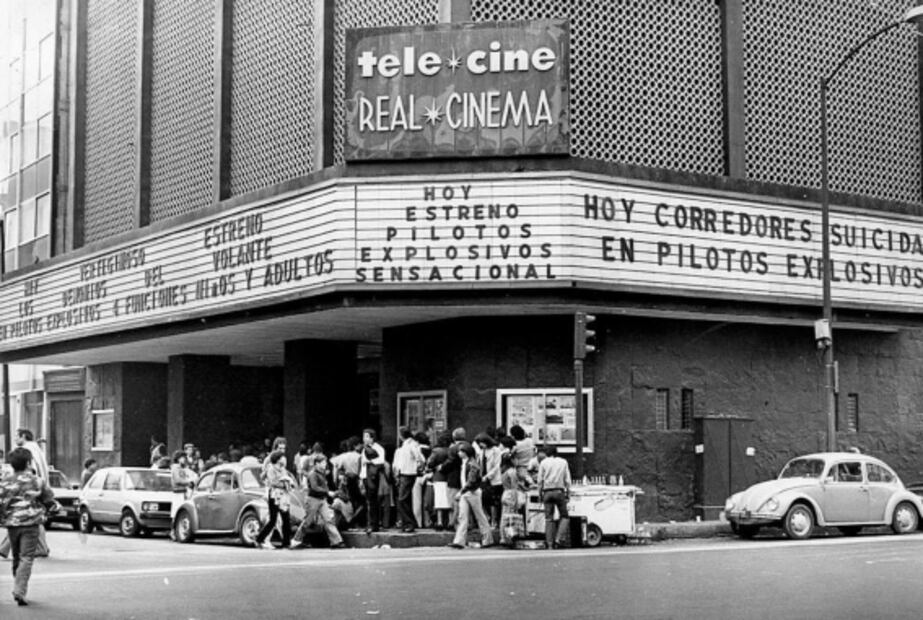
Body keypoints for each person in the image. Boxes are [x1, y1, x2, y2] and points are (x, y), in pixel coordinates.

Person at [0, 447, 58, 606]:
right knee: (27, 557)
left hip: (12, 524)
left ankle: (18, 585)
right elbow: (49, 499)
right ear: (28, 463)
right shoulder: (36, 481)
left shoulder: (5, 482)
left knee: (17, 557)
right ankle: (19, 590)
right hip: (31, 523)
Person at [291, 454, 345, 549]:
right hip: (313, 500)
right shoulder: (313, 474)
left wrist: (327, 493)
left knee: (328, 520)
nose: (325, 464)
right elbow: (315, 487)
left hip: (322, 500)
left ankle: (336, 541)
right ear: (317, 464)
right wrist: (328, 492)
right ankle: (296, 540)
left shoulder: (321, 473)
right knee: (307, 521)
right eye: (323, 462)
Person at [448, 442, 493, 549]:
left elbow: (471, 481)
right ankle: (459, 541)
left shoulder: (472, 464)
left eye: (461, 451)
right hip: (466, 492)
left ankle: (487, 539)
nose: (459, 453)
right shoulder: (465, 463)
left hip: (472, 493)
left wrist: (461, 492)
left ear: (466, 452)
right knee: (462, 516)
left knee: (479, 516)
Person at [255, 450, 294, 549]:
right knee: (273, 519)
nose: (284, 459)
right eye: (282, 458)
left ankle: (286, 542)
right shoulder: (271, 469)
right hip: (274, 495)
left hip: (284, 497)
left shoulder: (283, 469)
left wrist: (289, 484)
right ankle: (260, 539)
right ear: (277, 459)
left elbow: (287, 479)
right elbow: (272, 482)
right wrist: (284, 484)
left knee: (286, 519)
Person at [537, 445, 572, 549]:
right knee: (564, 516)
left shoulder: (543, 463)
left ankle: (549, 543)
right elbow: (567, 480)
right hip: (559, 491)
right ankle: (558, 539)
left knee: (549, 519)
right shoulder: (563, 462)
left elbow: (540, 480)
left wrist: (540, 494)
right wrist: (568, 493)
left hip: (547, 492)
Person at [393, 427, 424, 532]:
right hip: (404, 473)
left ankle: (409, 522)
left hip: (409, 473)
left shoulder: (411, 445)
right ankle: (409, 522)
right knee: (406, 499)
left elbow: (419, 457)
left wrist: (419, 466)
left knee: (402, 499)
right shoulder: (405, 445)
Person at [359, 429, 385, 533]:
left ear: (372, 438)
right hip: (365, 476)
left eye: (366, 436)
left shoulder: (379, 448)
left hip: (373, 477)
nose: (364, 439)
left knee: (373, 501)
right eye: (364, 436)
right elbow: (362, 465)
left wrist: (369, 461)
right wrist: (361, 478)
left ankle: (374, 524)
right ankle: (369, 523)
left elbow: (381, 461)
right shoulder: (363, 449)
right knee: (368, 501)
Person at [499, 453, 527, 547]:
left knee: (505, 517)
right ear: (512, 460)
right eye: (516, 459)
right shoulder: (512, 472)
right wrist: (515, 501)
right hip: (511, 494)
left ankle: (503, 537)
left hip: (505, 493)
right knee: (511, 516)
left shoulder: (504, 470)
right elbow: (514, 487)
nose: (517, 461)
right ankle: (508, 538)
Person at [475, 433, 502, 527]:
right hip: (483, 479)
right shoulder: (482, 451)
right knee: (482, 500)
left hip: (493, 479)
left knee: (493, 502)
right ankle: (487, 517)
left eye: (481, 443)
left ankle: (494, 521)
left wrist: (488, 476)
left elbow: (497, 466)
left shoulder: (496, 450)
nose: (480, 445)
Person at [169, 451, 196, 523]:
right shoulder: (176, 468)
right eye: (182, 457)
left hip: (183, 492)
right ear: (178, 459)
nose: (184, 459)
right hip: (178, 493)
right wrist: (188, 482)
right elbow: (178, 480)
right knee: (177, 512)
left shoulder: (181, 468)